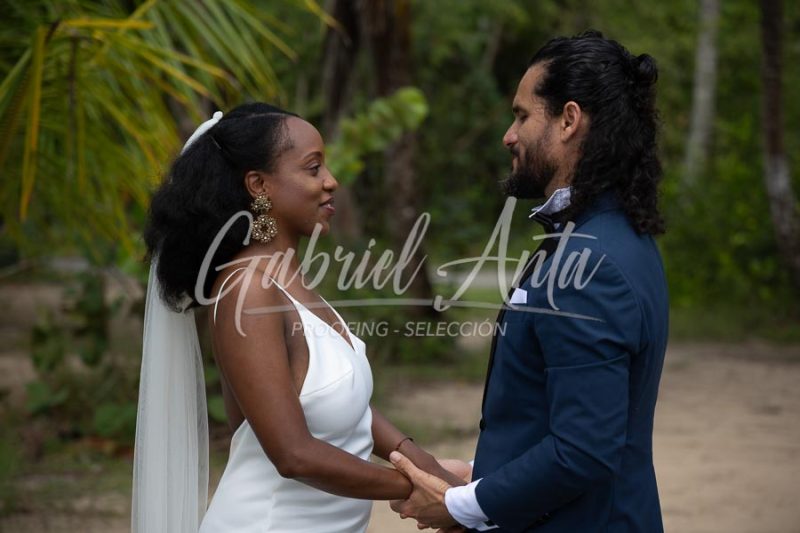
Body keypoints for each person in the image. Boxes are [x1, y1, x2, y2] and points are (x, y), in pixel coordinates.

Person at [132, 103, 469, 533]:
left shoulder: (290, 280)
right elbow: (292, 454)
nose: (331, 181)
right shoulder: (245, 291)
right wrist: (412, 487)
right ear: (258, 185)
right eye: (313, 168)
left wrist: (420, 461)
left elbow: (347, 406)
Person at [389, 30, 669, 532]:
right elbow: (565, 419)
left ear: (568, 120)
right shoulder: (613, 236)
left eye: (521, 115)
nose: (508, 135)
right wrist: (482, 479)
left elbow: (583, 450)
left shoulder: (590, 263)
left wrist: (459, 507)